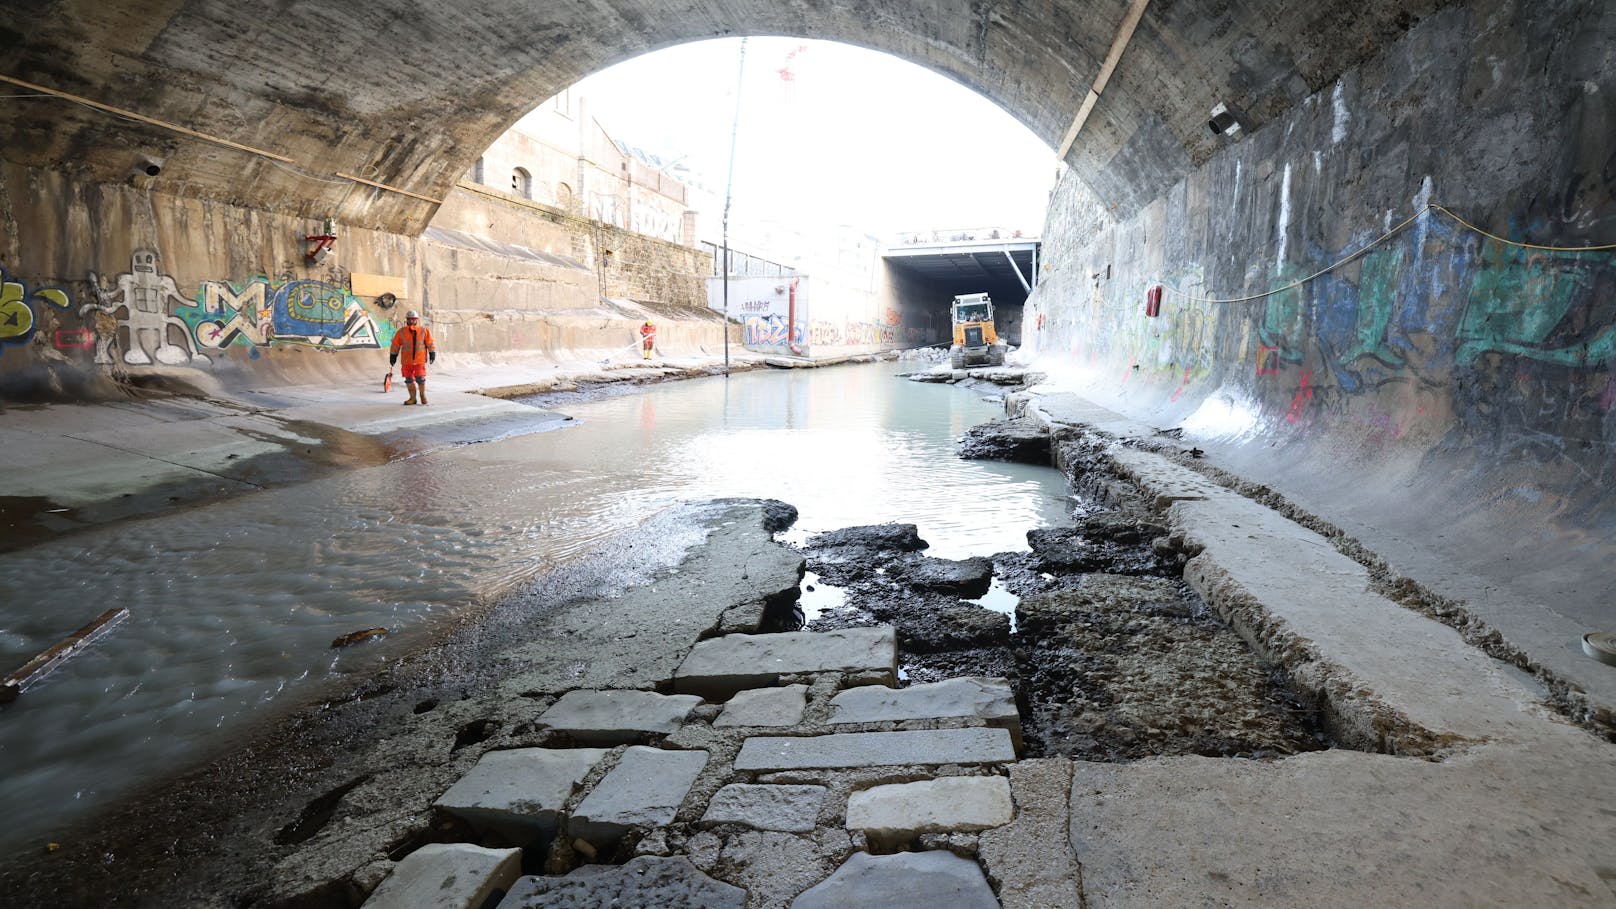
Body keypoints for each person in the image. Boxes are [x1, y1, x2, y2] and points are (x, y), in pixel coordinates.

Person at [389, 310, 436, 405]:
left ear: (417, 320)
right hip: (407, 362)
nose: (411, 321)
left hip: (419, 361)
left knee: (420, 378)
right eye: (409, 319)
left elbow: (430, 343)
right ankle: (412, 398)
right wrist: (393, 356)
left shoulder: (424, 331)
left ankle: (422, 396)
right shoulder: (401, 332)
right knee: (408, 379)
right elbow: (395, 345)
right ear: (406, 320)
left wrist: (432, 353)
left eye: (413, 319)